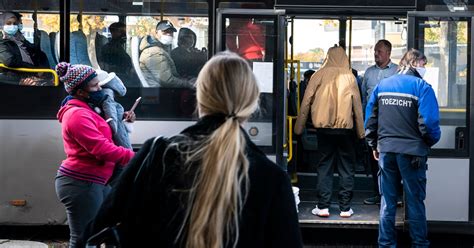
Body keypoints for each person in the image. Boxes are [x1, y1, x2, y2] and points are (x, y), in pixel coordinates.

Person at [82, 52, 303, 247]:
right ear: (252, 101)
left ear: (200, 96)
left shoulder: (157, 156)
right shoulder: (272, 179)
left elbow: (95, 231)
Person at [54, 62, 135, 248]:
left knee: (103, 234)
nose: (100, 88)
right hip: (81, 183)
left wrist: (124, 122)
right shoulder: (77, 116)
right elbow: (101, 148)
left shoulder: (89, 110)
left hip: (94, 182)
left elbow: (107, 133)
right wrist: (135, 157)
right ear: (81, 92)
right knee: (83, 240)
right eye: (95, 86)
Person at [365, 49, 441, 247]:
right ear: (415, 63)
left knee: (388, 202)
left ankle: (386, 244)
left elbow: (371, 119)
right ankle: (419, 244)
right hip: (413, 154)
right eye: (424, 64)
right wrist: (427, 143)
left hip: (386, 151)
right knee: (415, 202)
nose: (425, 69)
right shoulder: (422, 87)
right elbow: (430, 123)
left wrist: (374, 144)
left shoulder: (383, 85)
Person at [294, 46, 365, 218]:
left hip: (323, 130)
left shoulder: (318, 75)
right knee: (346, 167)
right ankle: (345, 208)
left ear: (328, 57)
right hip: (345, 130)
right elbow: (357, 107)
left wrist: (299, 128)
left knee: (324, 166)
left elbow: (306, 102)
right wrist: (361, 133)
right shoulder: (350, 77)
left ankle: (323, 206)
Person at [361, 39, 399, 205]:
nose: (376, 54)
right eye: (375, 51)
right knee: (374, 161)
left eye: (380, 51)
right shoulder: (368, 73)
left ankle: (393, 196)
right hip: (373, 125)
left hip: (391, 125)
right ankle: (377, 194)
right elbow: (364, 99)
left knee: (392, 162)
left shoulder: (397, 71)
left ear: (389, 53)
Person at [95, 70, 134, 186]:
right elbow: (113, 126)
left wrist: (124, 119)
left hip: (117, 150)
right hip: (118, 150)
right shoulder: (107, 96)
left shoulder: (105, 97)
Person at [0, 11, 50, 85]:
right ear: (1, 25)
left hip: (28, 74)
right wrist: (35, 70)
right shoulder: (2, 41)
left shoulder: (18, 38)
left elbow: (33, 51)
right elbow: (10, 61)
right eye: (9, 23)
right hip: (15, 77)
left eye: (15, 24)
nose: (13, 26)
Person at [139, 20, 193, 88]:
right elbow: (167, 81)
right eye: (165, 32)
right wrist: (188, 84)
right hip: (159, 94)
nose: (169, 34)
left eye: (171, 32)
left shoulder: (160, 49)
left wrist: (185, 79)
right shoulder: (153, 52)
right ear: (156, 33)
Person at [100, 22, 141, 87]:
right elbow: (113, 67)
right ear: (113, 32)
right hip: (119, 77)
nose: (124, 34)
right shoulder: (110, 48)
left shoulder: (118, 46)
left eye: (125, 32)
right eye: (121, 31)